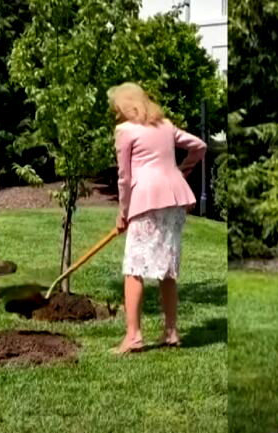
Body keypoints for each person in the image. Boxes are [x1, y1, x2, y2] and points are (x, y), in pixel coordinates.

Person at [107, 82, 207, 354]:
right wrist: (180, 171)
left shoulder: (124, 131)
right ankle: (172, 332)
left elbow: (124, 178)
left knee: (133, 268)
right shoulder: (164, 125)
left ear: (125, 105)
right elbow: (199, 146)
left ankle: (133, 337)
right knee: (167, 267)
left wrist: (123, 213)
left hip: (147, 200)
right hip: (174, 200)